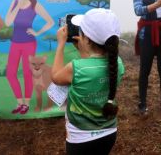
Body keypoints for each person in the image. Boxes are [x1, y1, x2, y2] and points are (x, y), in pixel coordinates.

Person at [51, 8, 125, 155]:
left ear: (87, 39)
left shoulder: (76, 68)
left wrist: (60, 44)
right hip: (109, 132)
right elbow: (92, 67)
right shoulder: (118, 63)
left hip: (80, 138)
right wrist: (85, 48)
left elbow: (56, 77)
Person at [5, 0, 54, 114]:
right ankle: (19, 102)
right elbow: (8, 22)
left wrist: (37, 33)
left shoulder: (35, 4)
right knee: (10, 73)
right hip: (15, 43)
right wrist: (18, 5)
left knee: (27, 73)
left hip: (29, 43)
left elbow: (50, 22)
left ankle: (26, 104)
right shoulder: (14, 3)